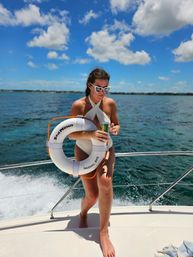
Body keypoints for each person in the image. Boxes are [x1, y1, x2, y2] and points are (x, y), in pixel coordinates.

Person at [69, 68, 120, 257]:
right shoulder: (78, 106)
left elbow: (117, 123)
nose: (102, 92)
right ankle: (82, 214)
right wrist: (90, 134)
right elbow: (70, 134)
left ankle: (103, 233)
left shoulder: (110, 104)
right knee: (92, 196)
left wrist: (115, 128)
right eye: (99, 88)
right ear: (90, 85)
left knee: (105, 182)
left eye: (106, 88)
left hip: (106, 149)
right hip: (83, 150)